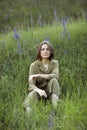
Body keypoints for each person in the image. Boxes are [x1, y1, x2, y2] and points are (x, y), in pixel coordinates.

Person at [23, 40, 60, 112]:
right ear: (39, 52)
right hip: (38, 92)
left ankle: (55, 108)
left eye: (47, 49)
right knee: (33, 94)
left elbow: (55, 75)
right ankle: (29, 112)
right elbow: (31, 85)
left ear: (50, 51)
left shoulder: (55, 63)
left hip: (50, 91)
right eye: (43, 49)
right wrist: (39, 90)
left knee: (54, 80)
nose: (45, 51)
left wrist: (39, 75)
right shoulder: (34, 65)